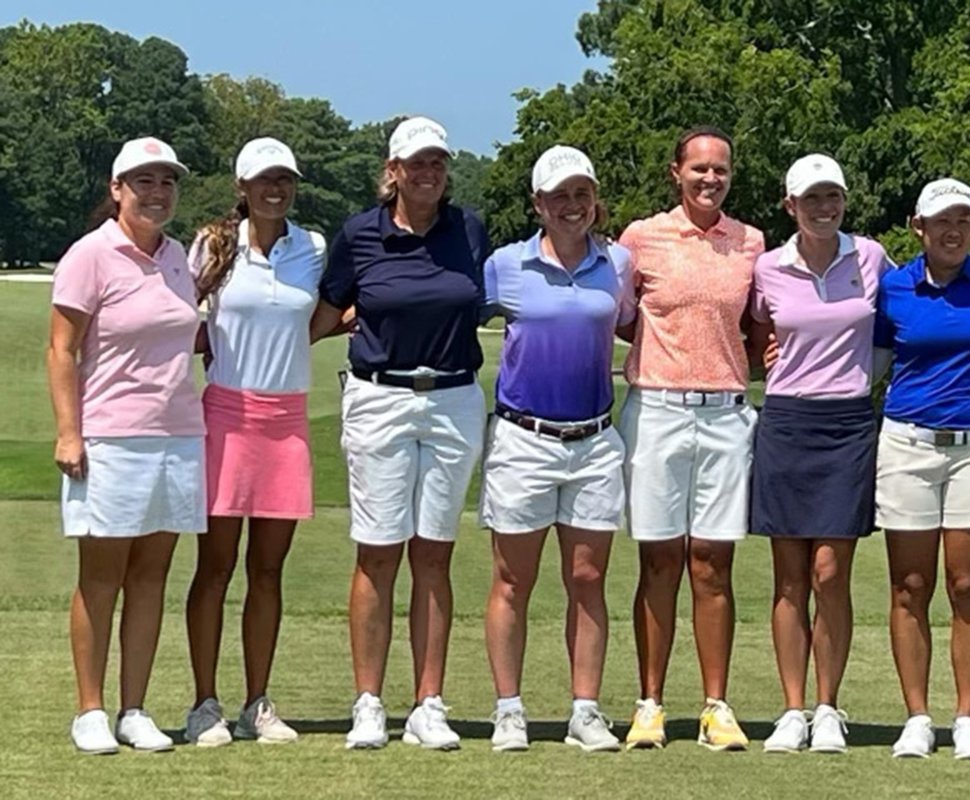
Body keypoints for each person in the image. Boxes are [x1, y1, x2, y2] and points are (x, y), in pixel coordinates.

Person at [310, 116, 488, 751]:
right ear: (393, 171)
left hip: (453, 399)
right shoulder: (360, 234)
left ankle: (428, 703)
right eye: (416, 163)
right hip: (379, 399)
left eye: (437, 162)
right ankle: (369, 702)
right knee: (378, 551)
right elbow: (326, 314)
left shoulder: (468, 229)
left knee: (434, 551)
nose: (428, 172)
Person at [48, 137, 203, 754]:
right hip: (111, 435)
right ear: (117, 190)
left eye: (166, 181)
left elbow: (179, 334)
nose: (156, 192)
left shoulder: (178, 259)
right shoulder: (90, 255)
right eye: (144, 181)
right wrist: (69, 430)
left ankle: (135, 708)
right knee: (102, 577)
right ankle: (91, 709)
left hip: (178, 433)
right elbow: (62, 348)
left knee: (151, 576)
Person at [480, 146, 634, 753]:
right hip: (524, 439)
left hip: (595, 440)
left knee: (588, 578)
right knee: (512, 580)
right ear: (539, 204)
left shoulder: (618, 262)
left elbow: (635, 324)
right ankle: (509, 709)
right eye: (560, 196)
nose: (573, 206)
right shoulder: (505, 265)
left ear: (594, 199)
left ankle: (585, 710)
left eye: (582, 194)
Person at [617, 126, 765, 751]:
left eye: (721, 170)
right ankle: (649, 703)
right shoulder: (640, 239)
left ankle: (715, 705)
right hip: (655, 410)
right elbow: (622, 317)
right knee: (658, 560)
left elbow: (761, 329)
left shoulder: (751, 243)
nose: (711, 179)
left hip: (727, 412)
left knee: (713, 562)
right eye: (699, 168)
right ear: (676, 171)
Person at [874, 178, 970, 760]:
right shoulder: (894, 287)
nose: (954, 230)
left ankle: (967, 717)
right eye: (942, 220)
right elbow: (869, 363)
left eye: (964, 219)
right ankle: (917, 716)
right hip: (909, 446)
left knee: (969, 586)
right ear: (919, 226)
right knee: (910, 586)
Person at [183, 138, 326, 746]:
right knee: (214, 568)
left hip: (286, 422)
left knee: (268, 570)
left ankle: (256, 703)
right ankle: (204, 704)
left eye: (285, 179)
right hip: (225, 416)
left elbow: (324, 316)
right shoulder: (214, 245)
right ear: (242, 187)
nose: (277, 188)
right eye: (264, 179)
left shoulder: (314, 248)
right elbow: (184, 320)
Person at [747, 155, 890, 754]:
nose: (823, 208)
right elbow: (756, 334)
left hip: (849, 423)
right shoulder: (767, 267)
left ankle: (828, 707)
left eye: (832, 197)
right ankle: (792, 709)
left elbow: (889, 331)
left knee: (831, 573)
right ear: (790, 207)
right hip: (787, 422)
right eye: (811, 200)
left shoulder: (872, 257)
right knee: (790, 578)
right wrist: (769, 359)